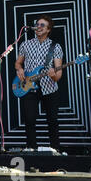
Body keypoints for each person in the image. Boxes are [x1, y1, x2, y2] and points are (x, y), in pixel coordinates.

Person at [15, 15, 63, 152]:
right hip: (29, 86)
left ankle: (56, 151)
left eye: (42, 25)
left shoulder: (55, 47)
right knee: (29, 120)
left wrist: (54, 75)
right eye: (37, 24)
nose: (38, 27)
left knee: (52, 121)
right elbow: (18, 63)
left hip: (49, 87)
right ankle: (31, 150)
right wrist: (19, 69)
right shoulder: (25, 44)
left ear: (48, 30)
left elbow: (58, 74)